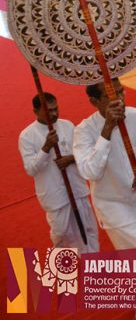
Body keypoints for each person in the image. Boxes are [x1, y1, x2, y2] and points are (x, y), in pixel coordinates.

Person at [74, 79, 136, 319]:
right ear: (94, 101)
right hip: (112, 204)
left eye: (121, 91)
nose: (120, 99)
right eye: (111, 95)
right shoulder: (84, 131)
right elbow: (90, 172)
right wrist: (107, 130)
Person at [19, 93, 99, 254]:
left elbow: (83, 152)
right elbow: (30, 169)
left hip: (77, 188)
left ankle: (92, 260)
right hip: (54, 194)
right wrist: (46, 147)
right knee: (62, 233)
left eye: (56, 109)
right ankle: (63, 261)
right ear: (36, 111)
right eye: (49, 111)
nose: (54, 113)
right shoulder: (27, 136)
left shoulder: (67, 126)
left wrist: (70, 158)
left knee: (88, 228)